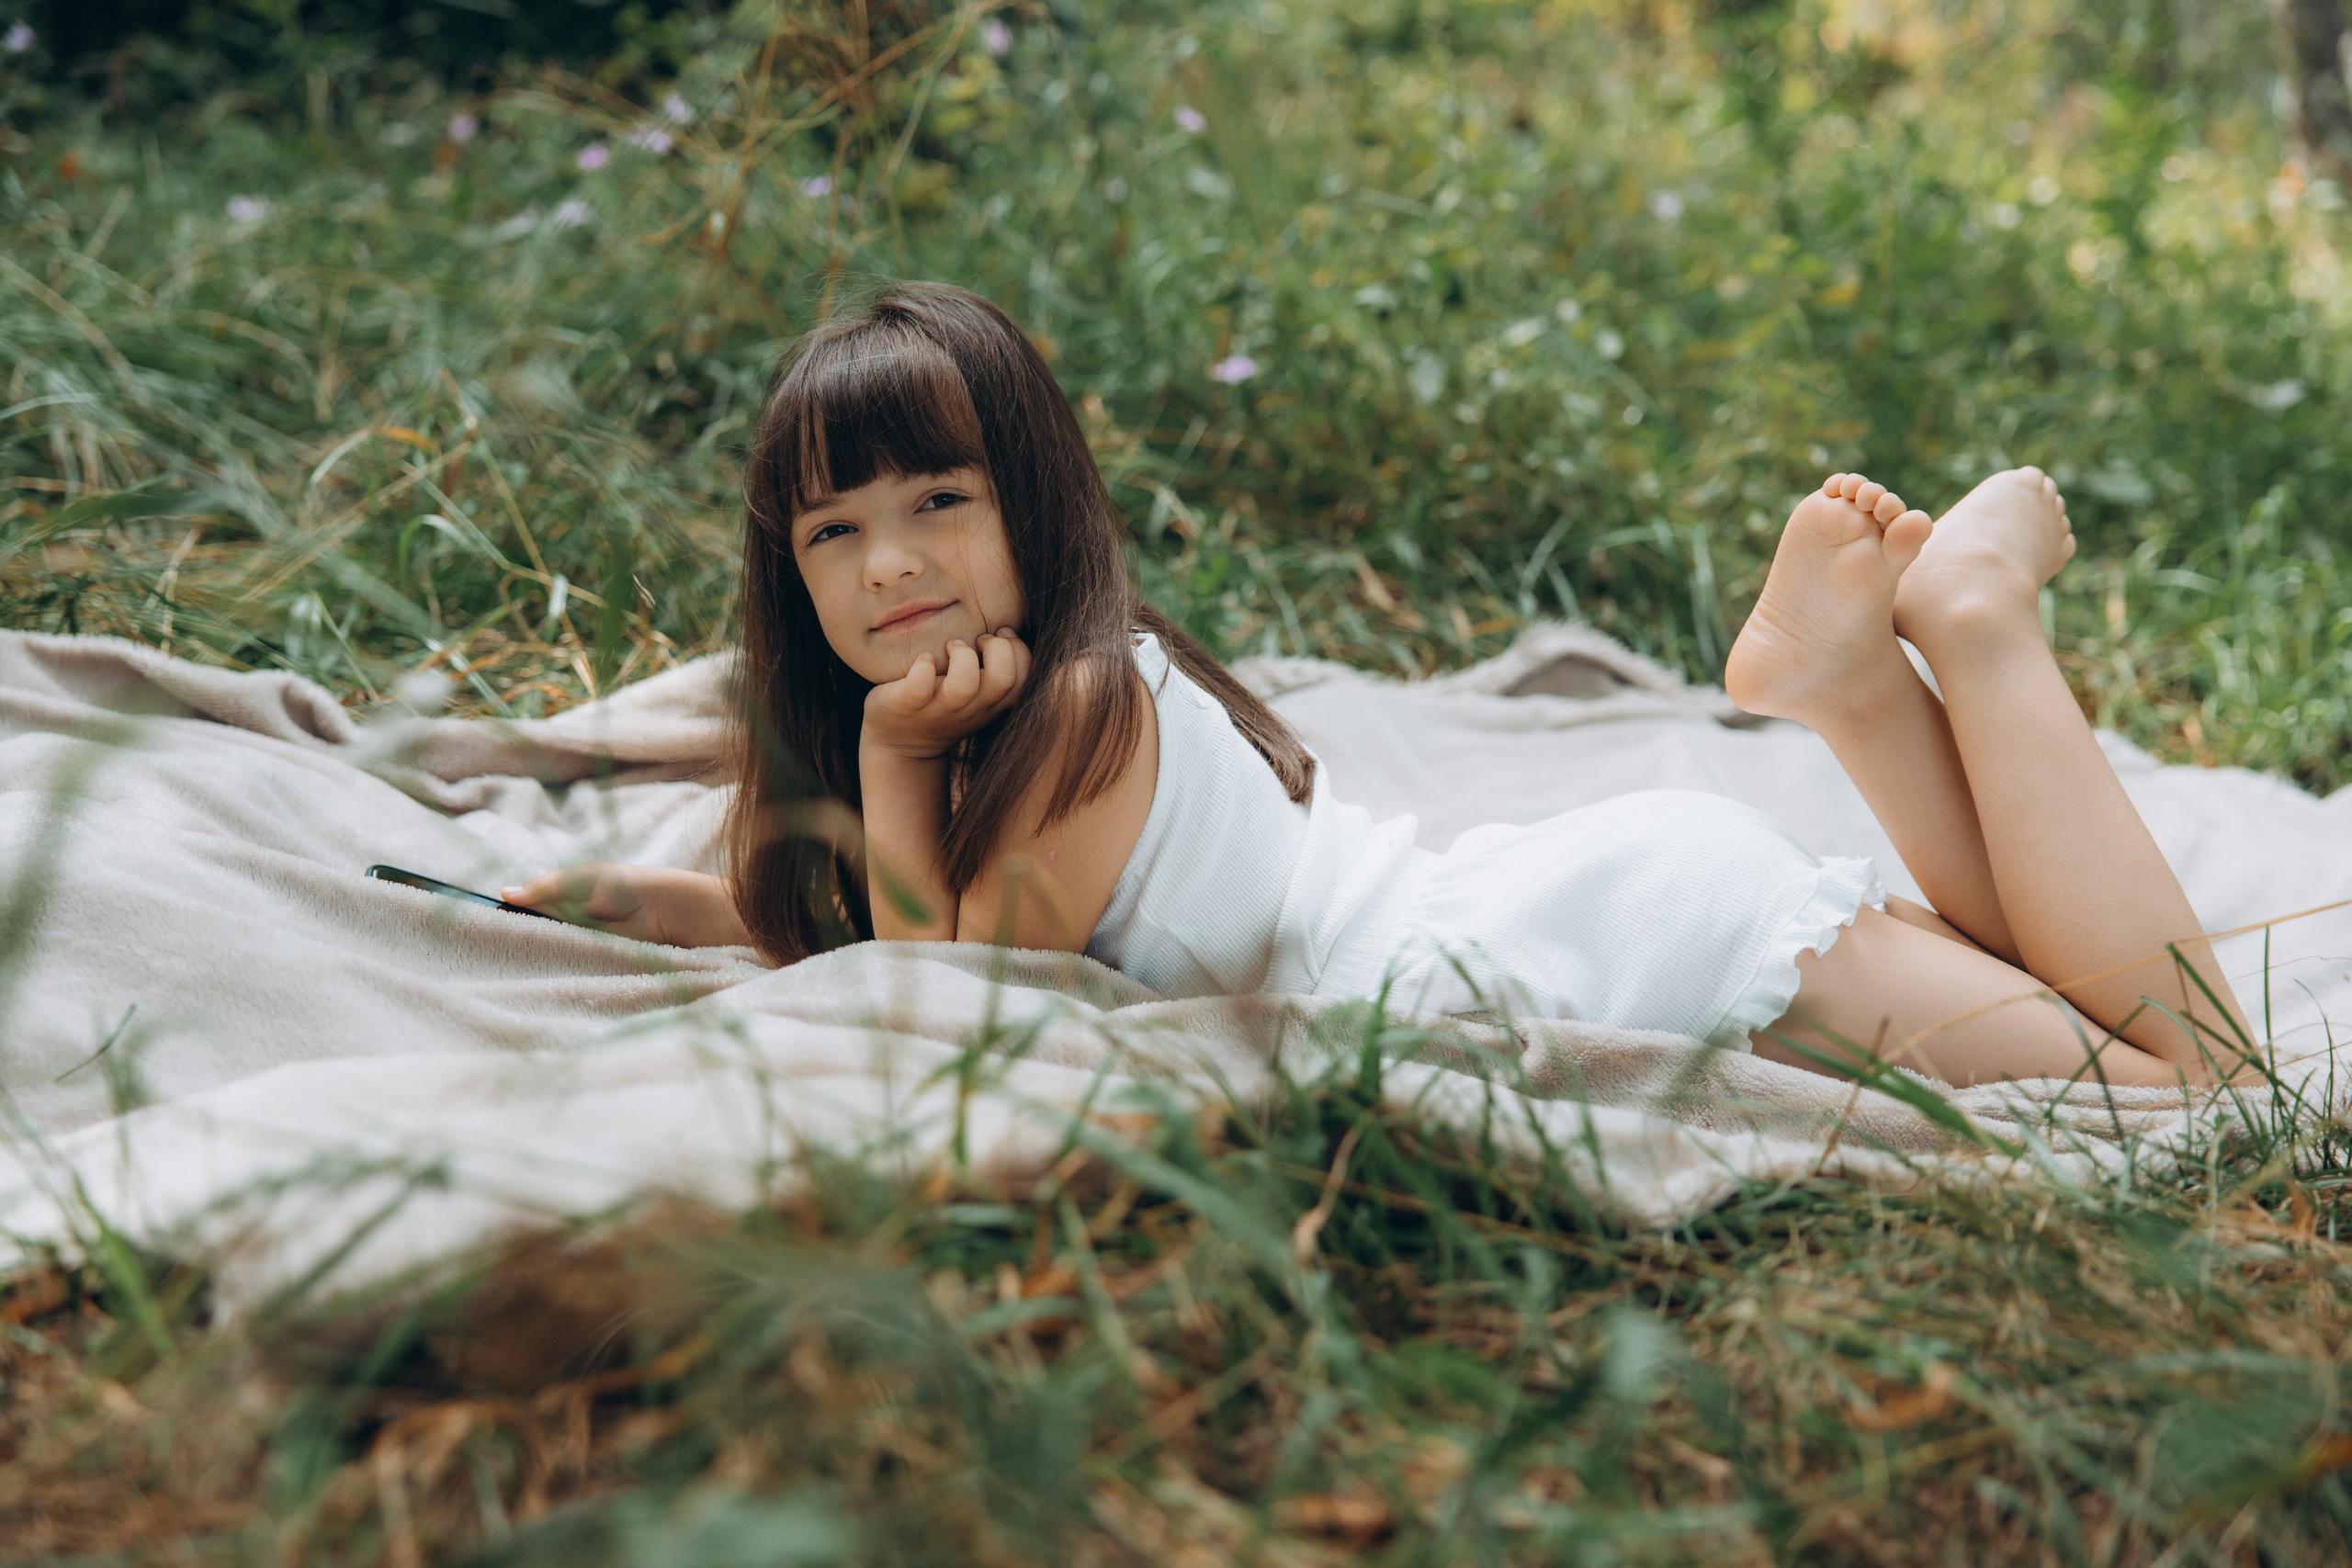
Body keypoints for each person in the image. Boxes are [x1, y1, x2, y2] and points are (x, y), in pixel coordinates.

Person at [503, 281, 2251, 1089]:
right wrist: (662, 902)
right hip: (1559, 906)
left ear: (1032, 509)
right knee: (2074, 1006)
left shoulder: (1088, 709)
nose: (889, 567)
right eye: (834, 533)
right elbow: (874, 934)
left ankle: (1978, 619)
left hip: (1580, 940)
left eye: (940, 504)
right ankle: (1857, 694)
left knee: (2194, 1089)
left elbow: (949, 1008)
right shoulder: (998, 741)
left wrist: (888, 758)